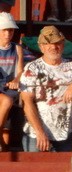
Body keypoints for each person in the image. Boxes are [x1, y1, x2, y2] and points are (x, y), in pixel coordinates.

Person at [18, 26, 72, 152]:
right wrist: (40, 133)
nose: (53, 47)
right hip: (36, 136)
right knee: (35, 165)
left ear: (63, 45)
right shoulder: (32, 68)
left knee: (68, 165)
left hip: (66, 136)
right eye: (48, 43)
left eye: (57, 43)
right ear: (41, 47)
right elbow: (27, 103)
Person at [0, 12, 22, 151]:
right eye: (4, 30)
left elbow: (20, 71)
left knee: (6, 134)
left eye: (11, 30)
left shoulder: (17, 48)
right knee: (7, 101)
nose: (8, 34)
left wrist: (16, 80)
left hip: (9, 87)